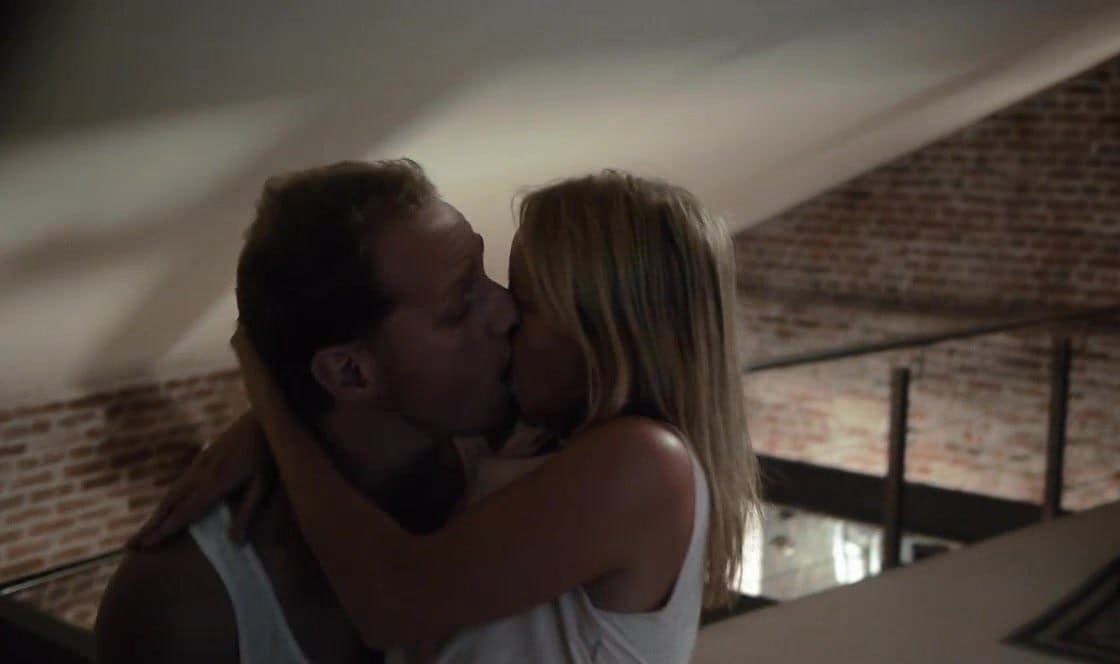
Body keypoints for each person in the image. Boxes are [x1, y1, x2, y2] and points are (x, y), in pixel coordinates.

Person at [138, 169, 761, 663]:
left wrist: (272, 399)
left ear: (606, 337)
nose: (505, 313)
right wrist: (267, 426)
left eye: (528, 301)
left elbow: (391, 601)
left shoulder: (644, 464)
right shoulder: (532, 439)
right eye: (484, 292)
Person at [95, 159, 518, 663]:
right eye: (462, 303)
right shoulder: (184, 605)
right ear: (350, 373)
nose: (507, 310)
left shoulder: (529, 445)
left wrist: (268, 416)